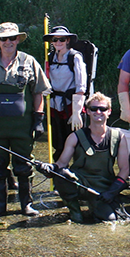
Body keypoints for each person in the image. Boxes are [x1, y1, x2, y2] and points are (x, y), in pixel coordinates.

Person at [0, 22, 51, 217]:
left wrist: (39, 119)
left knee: (24, 165)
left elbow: (38, 93)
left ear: (18, 39)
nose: (8, 42)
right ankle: (1, 205)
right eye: (4, 39)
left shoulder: (29, 61)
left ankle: (26, 204)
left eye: (12, 38)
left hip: (22, 126)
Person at [35, 92, 130, 222]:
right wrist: (48, 169)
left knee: (109, 220)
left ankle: (96, 207)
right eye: (93, 109)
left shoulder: (119, 137)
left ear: (109, 111)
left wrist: (112, 192)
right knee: (62, 175)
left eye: (102, 109)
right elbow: (61, 164)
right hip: (79, 183)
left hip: (103, 188)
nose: (98, 112)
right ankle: (75, 212)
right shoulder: (75, 137)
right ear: (87, 111)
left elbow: (125, 169)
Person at [43, 25, 87, 162]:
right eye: (55, 40)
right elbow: (45, 79)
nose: (58, 43)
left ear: (67, 40)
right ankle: (59, 172)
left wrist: (77, 113)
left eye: (61, 40)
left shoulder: (75, 57)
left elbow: (81, 87)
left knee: (75, 141)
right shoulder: (49, 57)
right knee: (58, 142)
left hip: (71, 106)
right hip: (54, 106)